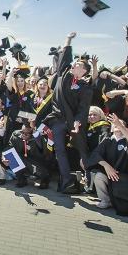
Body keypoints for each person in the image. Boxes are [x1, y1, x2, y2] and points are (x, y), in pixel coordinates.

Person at [43, 32, 94, 193]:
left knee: (83, 150)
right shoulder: (63, 73)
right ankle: (67, 181)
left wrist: (78, 121)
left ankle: (90, 181)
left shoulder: (85, 88)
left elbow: (83, 108)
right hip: (58, 119)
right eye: (75, 62)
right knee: (60, 151)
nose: (74, 64)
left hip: (74, 121)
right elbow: (65, 56)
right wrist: (68, 39)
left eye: (78, 64)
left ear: (84, 71)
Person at [88, 114, 128, 215]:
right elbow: (95, 154)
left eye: (119, 124)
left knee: (126, 209)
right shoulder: (107, 140)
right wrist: (106, 166)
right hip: (110, 176)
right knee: (98, 176)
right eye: (114, 124)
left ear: (126, 128)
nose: (116, 125)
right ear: (111, 129)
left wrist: (120, 126)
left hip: (126, 180)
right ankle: (106, 200)